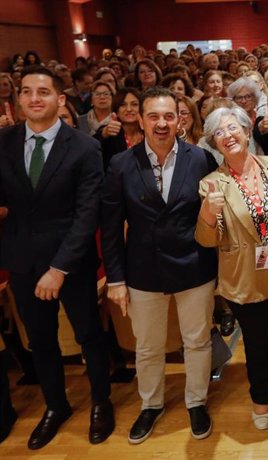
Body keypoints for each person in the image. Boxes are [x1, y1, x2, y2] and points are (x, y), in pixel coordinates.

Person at [0, 65, 114, 449]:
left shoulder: (84, 147)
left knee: (88, 336)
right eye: (27, 91)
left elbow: (86, 214)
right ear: (18, 100)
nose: (34, 98)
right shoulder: (4, 141)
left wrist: (58, 269)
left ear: (60, 99)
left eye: (43, 92)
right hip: (21, 260)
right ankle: (55, 405)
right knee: (41, 341)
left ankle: (101, 401)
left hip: (72, 262)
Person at [101, 87, 218, 444]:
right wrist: (116, 279)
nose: (162, 123)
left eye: (169, 116)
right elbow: (109, 227)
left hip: (194, 266)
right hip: (143, 271)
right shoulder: (121, 164)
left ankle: (196, 400)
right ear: (140, 119)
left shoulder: (201, 159)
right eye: (153, 116)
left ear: (180, 118)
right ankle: (150, 405)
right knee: (148, 346)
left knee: (196, 341)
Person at [195, 106, 268, 430]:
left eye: (233, 128)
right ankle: (261, 396)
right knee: (258, 343)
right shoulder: (211, 184)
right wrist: (208, 212)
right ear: (214, 143)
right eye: (219, 132)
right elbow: (207, 240)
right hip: (247, 277)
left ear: (248, 132)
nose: (228, 135)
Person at [95, 87, 143, 171]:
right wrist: (103, 134)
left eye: (134, 104)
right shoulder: (108, 132)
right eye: (123, 105)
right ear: (116, 110)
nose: (129, 109)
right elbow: (90, 148)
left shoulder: (148, 132)